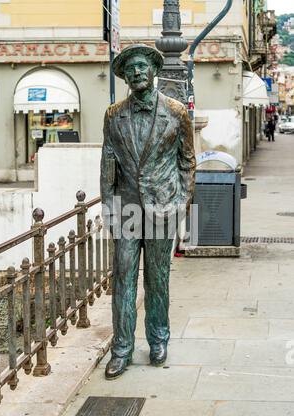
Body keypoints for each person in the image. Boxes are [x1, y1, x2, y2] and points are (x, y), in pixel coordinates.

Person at [100, 44, 196, 380]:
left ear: (153, 71)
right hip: (126, 209)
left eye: (143, 67)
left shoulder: (176, 112)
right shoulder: (114, 115)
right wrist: (109, 210)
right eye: (131, 69)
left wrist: (182, 203)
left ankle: (158, 340)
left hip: (162, 207)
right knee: (123, 279)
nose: (138, 73)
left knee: (158, 279)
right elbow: (108, 167)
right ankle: (122, 349)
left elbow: (187, 161)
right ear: (125, 76)